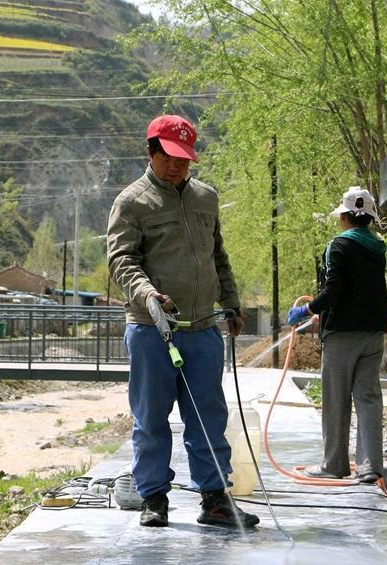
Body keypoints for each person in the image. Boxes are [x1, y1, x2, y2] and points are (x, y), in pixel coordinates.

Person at [107, 114, 259, 529]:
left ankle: (215, 500)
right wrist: (147, 294)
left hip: (203, 328)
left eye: (184, 160)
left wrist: (231, 302)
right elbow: (122, 260)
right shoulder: (132, 202)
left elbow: (218, 256)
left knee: (209, 416)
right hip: (151, 330)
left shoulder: (206, 198)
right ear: (150, 152)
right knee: (151, 418)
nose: (176, 167)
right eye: (168, 158)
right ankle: (154, 498)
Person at [287, 186, 387, 484]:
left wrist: (307, 309)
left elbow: (334, 289)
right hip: (373, 332)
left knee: (336, 399)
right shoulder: (377, 247)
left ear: (344, 216)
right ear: (369, 218)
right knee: (368, 398)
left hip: (342, 334)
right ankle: (370, 467)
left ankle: (334, 465)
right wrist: (323, 312)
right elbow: (361, 290)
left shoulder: (339, 245)